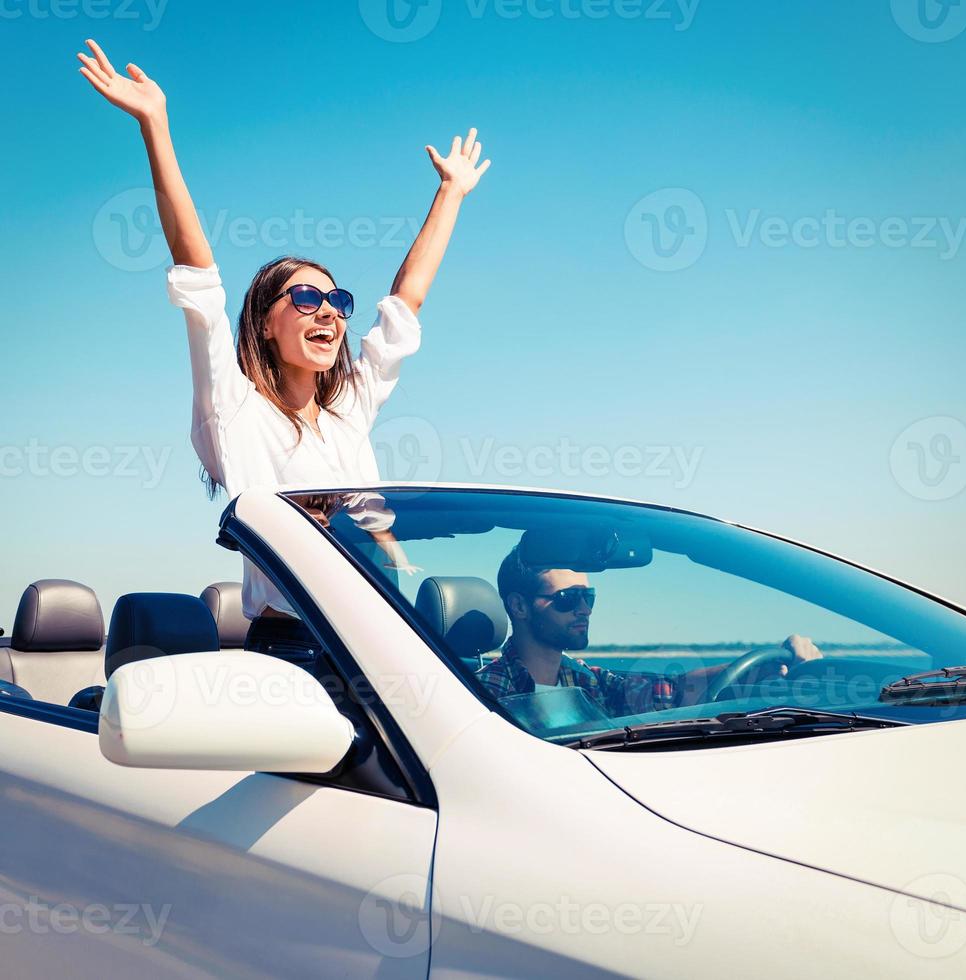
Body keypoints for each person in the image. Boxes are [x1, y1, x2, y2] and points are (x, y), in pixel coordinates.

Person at [77, 39, 491, 643]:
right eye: (304, 299)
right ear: (266, 322)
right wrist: (155, 125)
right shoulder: (235, 410)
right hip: (293, 644)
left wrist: (450, 193)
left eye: (337, 302)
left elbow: (405, 304)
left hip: (381, 633)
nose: (327, 312)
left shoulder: (347, 411)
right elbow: (198, 275)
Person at [477, 545, 823, 715]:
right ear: (519, 606)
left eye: (589, 596)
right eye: (568, 598)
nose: (584, 608)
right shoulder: (487, 692)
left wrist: (764, 668)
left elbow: (671, 691)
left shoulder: (586, 681)